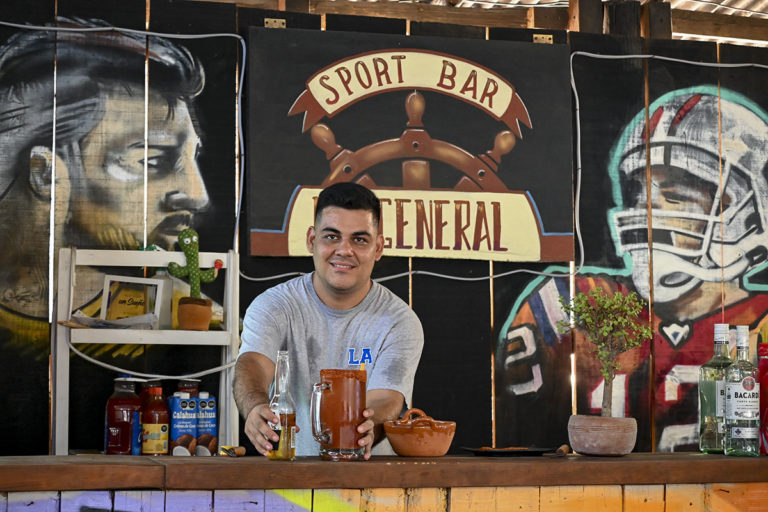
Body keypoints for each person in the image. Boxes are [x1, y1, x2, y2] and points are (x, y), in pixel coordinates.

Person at [496, 87, 768, 452]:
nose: (647, 212)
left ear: (749, 215)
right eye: (640, 193)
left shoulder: (761, 324)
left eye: (674, 195)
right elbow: (516, 432)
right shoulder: (571, 302)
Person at [0, 18, 210, 328]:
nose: (198, 195)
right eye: (152, 161)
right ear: (45, 175)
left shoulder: (190, 317)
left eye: (193, 157)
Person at [234, 182, 425, 458]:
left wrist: (371, 425)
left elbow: (388, 398)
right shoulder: (274, 305)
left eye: (359, 239)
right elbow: (252, 363)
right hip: (291, 477)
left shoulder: (399, 320)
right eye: (332, 237)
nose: (344, 250)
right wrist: (255, 407)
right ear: (312, 240)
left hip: (373, 483)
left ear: (379, 248)